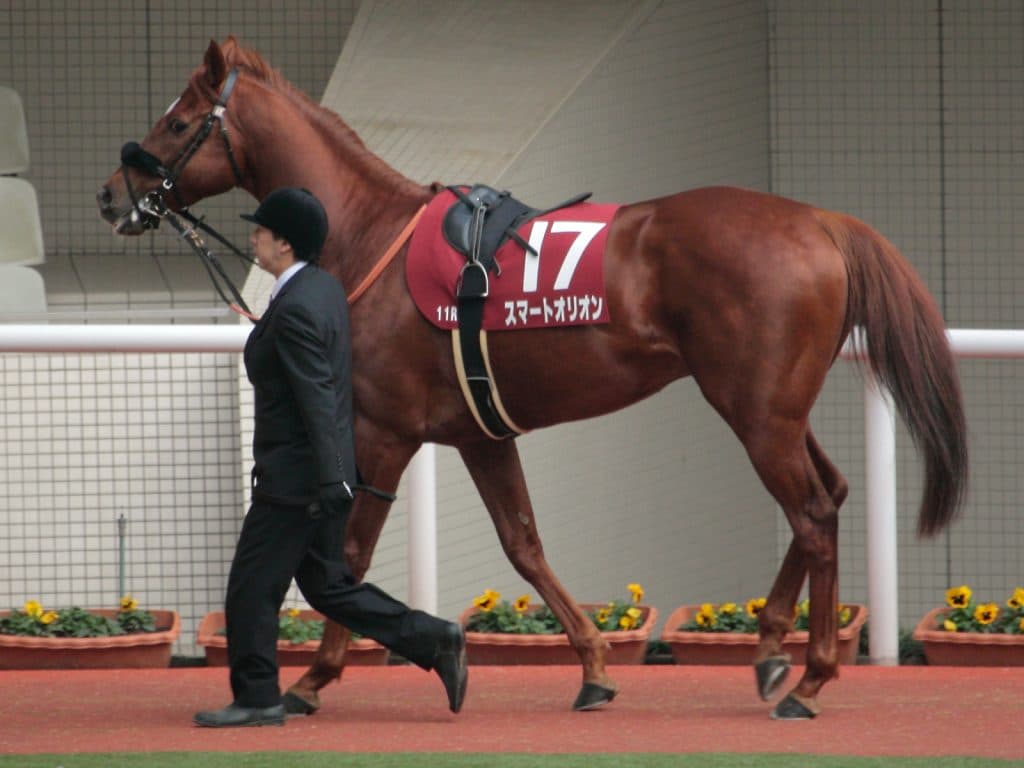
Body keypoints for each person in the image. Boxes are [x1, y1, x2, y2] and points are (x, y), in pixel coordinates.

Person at [194, 187, 467, 728]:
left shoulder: (296, 307)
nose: (253, 238)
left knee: (252, 586)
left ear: (285, 242)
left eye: (261, 232)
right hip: (324, 474)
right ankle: (435, 639)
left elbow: (317, 395)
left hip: (297, 480)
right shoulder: (320, 290)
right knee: (329, 586)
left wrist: (330, 480)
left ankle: (257, 697)